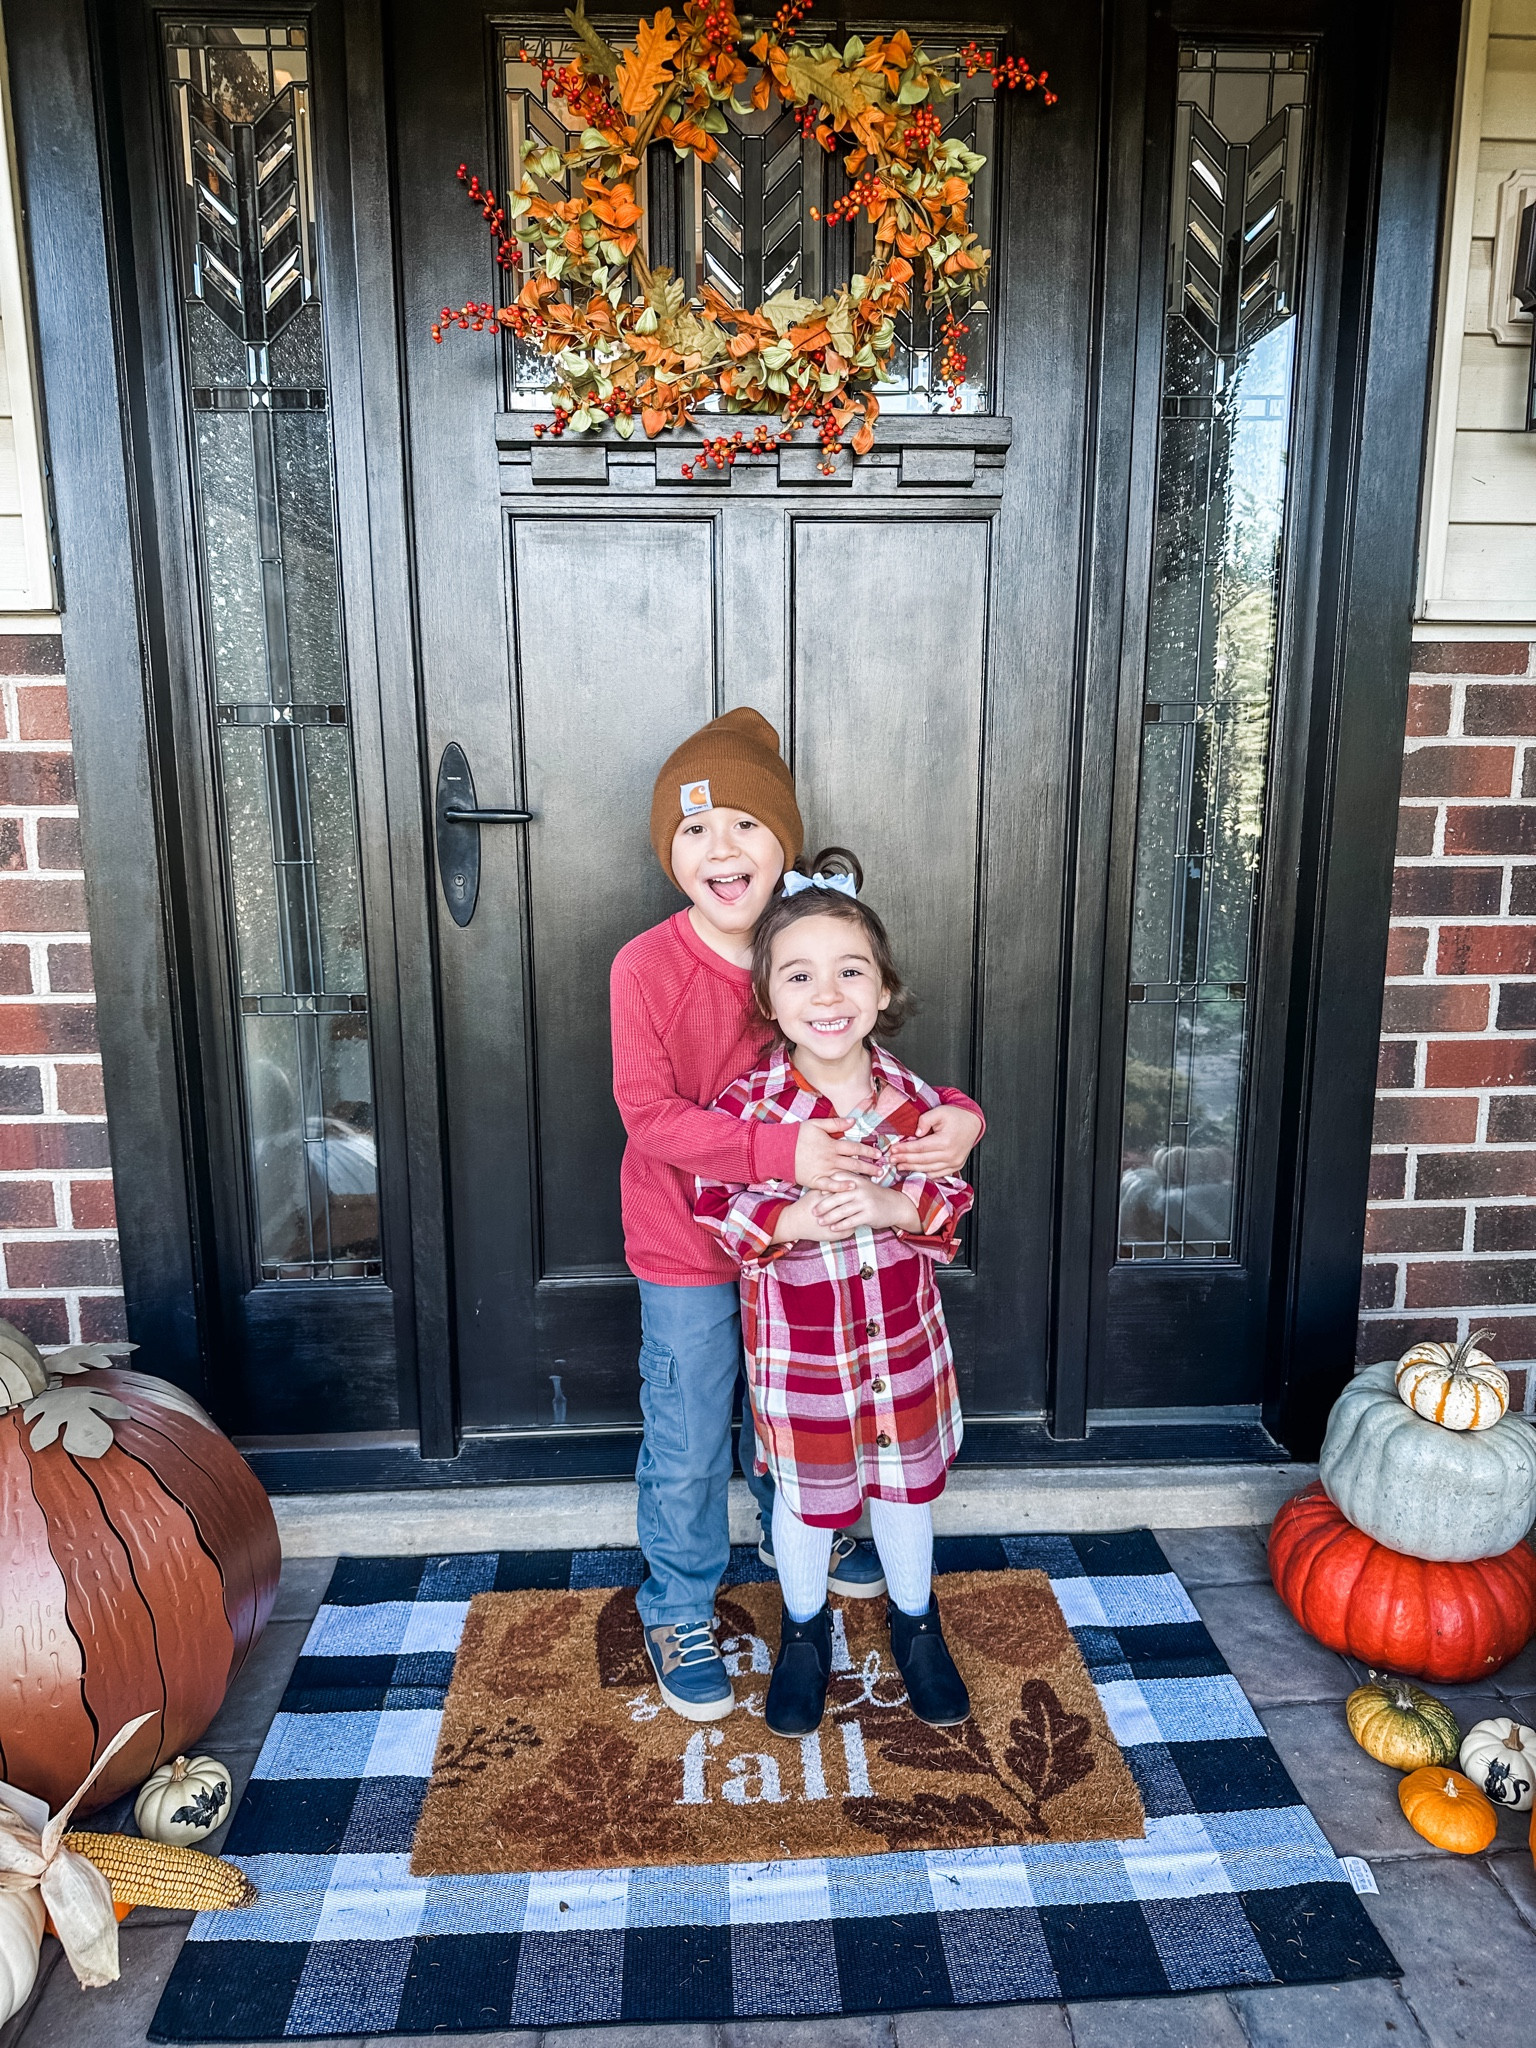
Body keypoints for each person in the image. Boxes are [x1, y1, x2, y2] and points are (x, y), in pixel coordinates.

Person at [611, 710, 984, 1724]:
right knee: (691, 1431)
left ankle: (803, 1529)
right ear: (668, 853)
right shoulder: (646, 966)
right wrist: (783, 1155)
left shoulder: (818, 947)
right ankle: (681, 1602)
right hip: (690, 1242)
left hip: (815, 1263)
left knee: (803, 1398)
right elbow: (648, 1116)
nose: (720, 849)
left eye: (743, 824)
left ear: (786, 840)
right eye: (693, 830)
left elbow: (882, 1078)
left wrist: (961, 1117)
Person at [694, 850, 973, 1737]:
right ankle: (805, 1632)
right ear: (770, 1000)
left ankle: (915, 1620)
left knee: (903, 1491)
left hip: (900, 1346)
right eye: (800, 975)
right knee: (805, 1502)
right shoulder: (752, 1105)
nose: (828, 994)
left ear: (883, 991)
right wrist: (798, 1223)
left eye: (851, 972)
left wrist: (895, 1202)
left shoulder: (912, 1102)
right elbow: (718, 1206)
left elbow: (950, 1201)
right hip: (803, 1355)